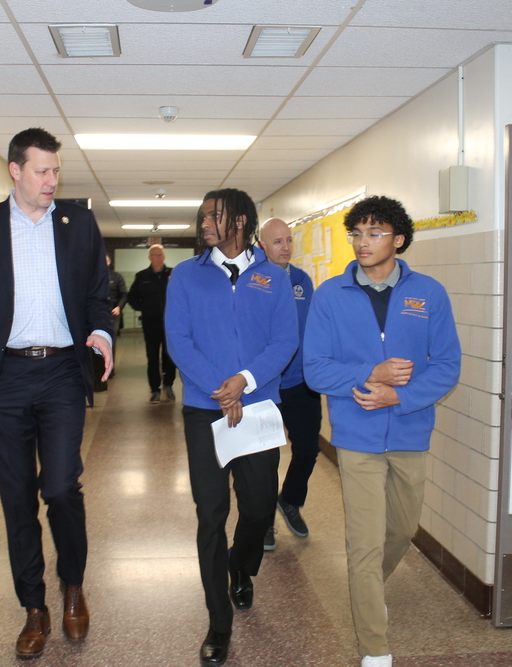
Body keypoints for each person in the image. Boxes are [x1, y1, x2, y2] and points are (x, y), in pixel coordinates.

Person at [0, 127, 113, 659]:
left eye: (56, 170)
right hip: (3, 380)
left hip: (63, 372)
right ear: (15, 171)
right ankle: (34, 608)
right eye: (42, 171)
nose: (51, 180)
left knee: (62, 487)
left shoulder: (79, 223)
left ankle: (72, 586)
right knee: (17, 497)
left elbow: (95, 294)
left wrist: (102, 332)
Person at [303, 196, 461, 667]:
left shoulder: (427, 294)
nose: (362, 242)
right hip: (357, 436)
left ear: (399, 240)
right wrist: (369, 374)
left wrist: (401, 396)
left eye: (374, 233)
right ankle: (374, 645)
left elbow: (447, 365)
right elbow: (315, 369)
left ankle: (370, 590)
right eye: (356, 233)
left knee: (402, 529)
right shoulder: (330, 295)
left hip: (411, 431)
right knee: (364, 543)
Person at [165, 189, 298, 665]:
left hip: (258, 405)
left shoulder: (272, 277)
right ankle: (218, 622)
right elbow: (178, 340)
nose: (204, 223)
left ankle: (242, 568)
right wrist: (219, 390)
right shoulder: (185, 276)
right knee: (211, 512)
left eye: (213, 215)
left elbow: (285, 340)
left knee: (260, 505)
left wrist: (243, 382)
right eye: (201, 215)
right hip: (205, 409)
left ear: (240, 220)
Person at [256, 218, 321, 551]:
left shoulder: (301, 280)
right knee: (266, 459)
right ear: (262, 244)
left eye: (289, 240)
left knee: (309, 449)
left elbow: (309, 326)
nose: (286, 247)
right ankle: (264, 520)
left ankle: (290, 500)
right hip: (265, 383)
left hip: (300, 382)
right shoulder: (253, 279)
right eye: (278, 241)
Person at [128, 244, 176, 403]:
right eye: (155, 255)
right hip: (150, 323)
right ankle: (155, 389)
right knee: (152, 356)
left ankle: (168, 385)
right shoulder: (142, 276)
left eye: (160, 255)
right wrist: (144, 308)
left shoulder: (173, 274)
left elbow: (182, 295)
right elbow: (132, 298)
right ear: (150, 257)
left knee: (169, 356)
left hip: (170, 323)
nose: (158, 258)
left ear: (164, 256)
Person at [106, 253, 128, 367]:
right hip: (97, 312)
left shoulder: (116, 277)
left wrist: (119, 307)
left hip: (113, 312)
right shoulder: (92, 276)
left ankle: (110, 366)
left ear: (109, 262)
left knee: (111, 339)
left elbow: (124, 294)